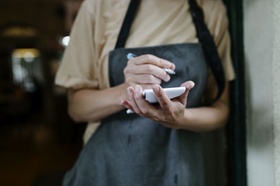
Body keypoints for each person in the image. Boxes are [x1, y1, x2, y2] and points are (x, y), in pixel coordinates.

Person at [55, 0, 235, 185]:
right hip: (108, 171)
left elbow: (221, 109)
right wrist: (126, 92)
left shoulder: (210, 9)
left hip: (179, 171)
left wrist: (181, 118)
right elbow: (76, 108)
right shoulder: (100, 6)